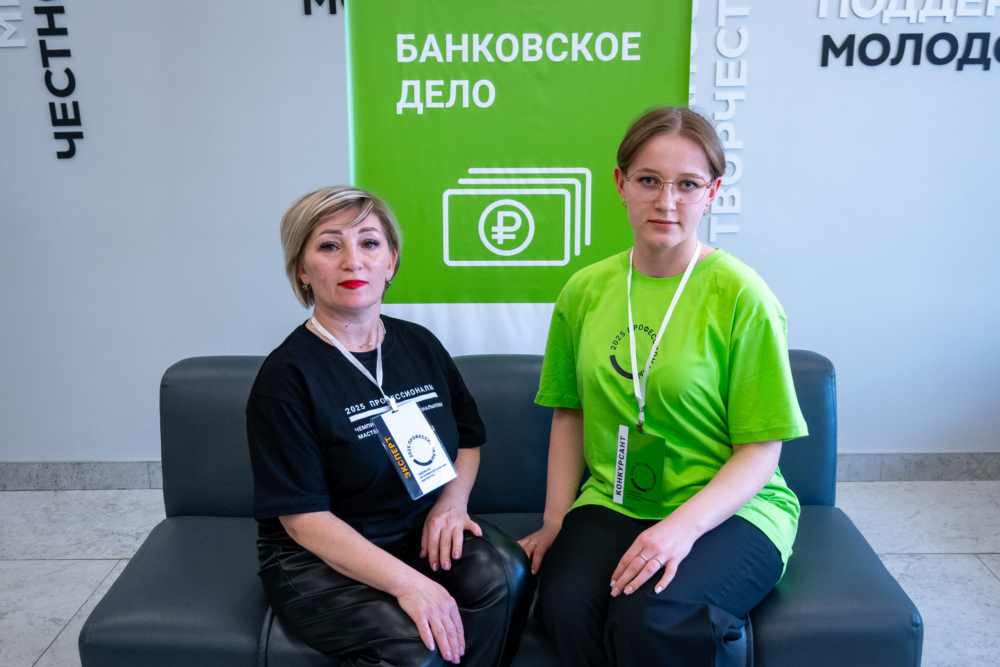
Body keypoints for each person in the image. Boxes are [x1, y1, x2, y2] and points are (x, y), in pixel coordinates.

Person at [518, 107, 809, 667]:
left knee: (650, 614)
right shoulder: (585, 290)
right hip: (616, 497)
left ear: (713, 192)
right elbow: (570, 413)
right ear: (620, 183)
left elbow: (760, 451)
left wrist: (679, 530)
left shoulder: (743, 296)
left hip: (730, 508)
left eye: (688, 184)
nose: (666, 201)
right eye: (649, 180)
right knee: (567, 605)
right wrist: (555, 522)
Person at [247, 186, 531, 667]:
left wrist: (451, 505)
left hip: (417, 532)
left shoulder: (421, 345)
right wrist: (411, 584)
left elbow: (467, 439)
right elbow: (303, 520)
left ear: (391, 261)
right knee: (419, 651)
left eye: (369, 243)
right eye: (329, 245)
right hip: (316, 556)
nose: (353, 261)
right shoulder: (286, 378)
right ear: (302, 270)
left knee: (506, 574)